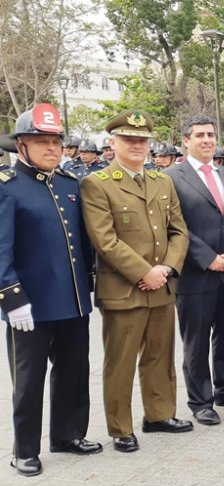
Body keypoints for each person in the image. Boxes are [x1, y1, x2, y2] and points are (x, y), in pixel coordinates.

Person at [80, 110, 192, 452]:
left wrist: (168, 269)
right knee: (121, 361)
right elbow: (105, 239)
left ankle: (159, 415)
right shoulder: (97, 183)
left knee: (159, 355)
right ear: (112, 143)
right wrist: (145, 272)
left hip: (162, 287)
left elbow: (179, 231)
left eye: (142, 140)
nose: (136, 145)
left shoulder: (162, 181)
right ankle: (120, 427)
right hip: (125, 289)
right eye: (129, 139)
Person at [1, 104, 102, 476]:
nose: (51, 148)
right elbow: (1, 249)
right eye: (40, 141)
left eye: (56, 141)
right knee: (28, 382)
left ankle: (68, 435)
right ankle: (23, 449)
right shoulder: (7, 188)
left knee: (74, 371)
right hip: (30, 305)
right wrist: (11, 298)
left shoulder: (69, 184)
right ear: (21, 146)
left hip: (73, 299)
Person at [164, 115, 224, 426]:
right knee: (196, 341)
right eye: (200, 135)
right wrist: (207, 258)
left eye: (210, 134)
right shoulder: (171, 177)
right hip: (196, 273)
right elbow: (174, 226)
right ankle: (201, 400)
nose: (207, 140)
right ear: (186, 141)